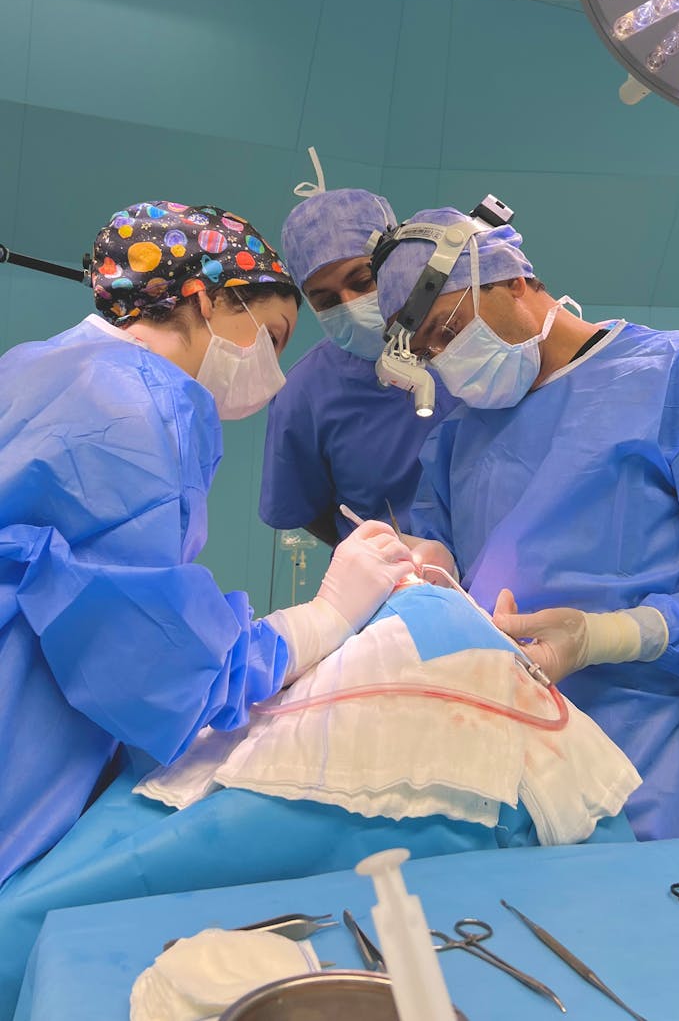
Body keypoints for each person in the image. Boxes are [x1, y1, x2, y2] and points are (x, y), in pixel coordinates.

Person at [0, 200, 415, 886]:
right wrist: (325, 617)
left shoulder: (35, 368)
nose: (274, 371)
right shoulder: (134, 404)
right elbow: (160, 666)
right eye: (272, 337)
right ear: (205, 296)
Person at [372, 205, 679, 841]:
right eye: (427, 350)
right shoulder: (457, 438)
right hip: (510, 777)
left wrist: (608, 636)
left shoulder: (676, 378)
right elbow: (443, 560)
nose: (443, 357)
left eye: (447, 329)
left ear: (513, 280)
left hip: (656, 770)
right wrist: (427, 567)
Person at [259, 181, 459, 547]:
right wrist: (375, 555)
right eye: (326, 300)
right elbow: (304, 507)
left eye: (363, 281)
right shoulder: (304, 392)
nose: (350, 305)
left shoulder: (465, 340)